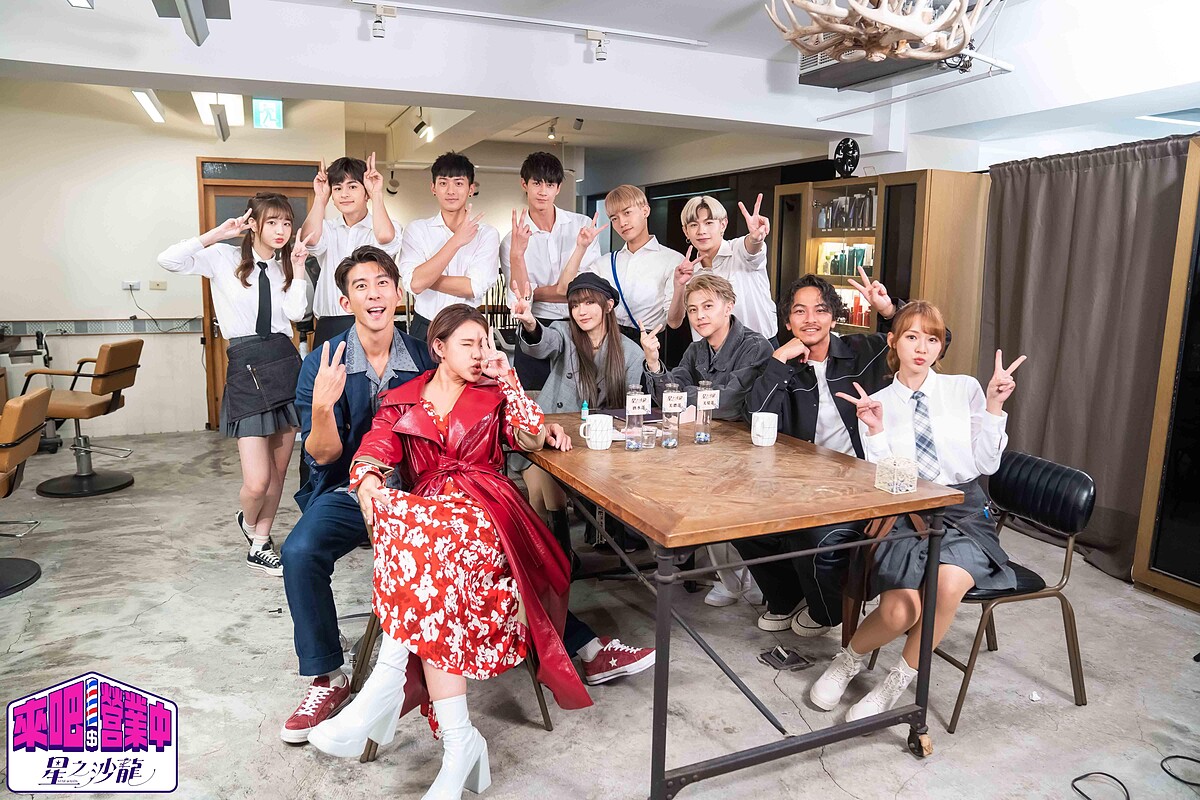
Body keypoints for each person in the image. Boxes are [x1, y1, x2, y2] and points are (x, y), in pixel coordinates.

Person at [305, 304, 593, 800]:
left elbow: (529, 437)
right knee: (416, 536)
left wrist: (510, 380)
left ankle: (385, 684)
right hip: (434, 526)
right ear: (438, 348)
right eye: (469, 344)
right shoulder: (401, 400)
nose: (480, 353)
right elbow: (375, 447)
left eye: (485, 343)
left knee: (421, 537)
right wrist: (368, 478)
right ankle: (460, 743)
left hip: (489, 513)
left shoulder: (494, 393)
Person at [809, 302, 1024, 721]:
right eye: (912, 337)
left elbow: (986, 464)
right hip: (906, 510)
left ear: (941, 346)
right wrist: (874, 430)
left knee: (946, 584)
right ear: (893, 341)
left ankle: (895, 683)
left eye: (932, 339)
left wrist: (995, 407)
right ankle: (848, 661)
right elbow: (885, 480)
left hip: (962, 510)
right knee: (900, 611)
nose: (922, 348)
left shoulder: (965, 389)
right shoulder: (877, 402)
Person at [277, 245, 435, 745]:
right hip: (347, 489)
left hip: (419, 492)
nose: (374, 294)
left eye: (382, 283)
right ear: (346, 302)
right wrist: (323, 407)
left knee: (502, 535)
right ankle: (328, 677)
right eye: (361, 287)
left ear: (398, 294)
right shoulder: (321, 363)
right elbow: (322, 455)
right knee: (300, 551)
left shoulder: (426, 357)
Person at [735, 269, 913, 638]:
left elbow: (936, 338)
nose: (810, 319)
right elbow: (757, 418)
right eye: (799, 311)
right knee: (743, 523)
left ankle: (826, 611)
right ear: (787, 321)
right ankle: (786, 598)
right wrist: (779, 361)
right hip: (798, 480)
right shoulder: (777, 356)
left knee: (810, 535)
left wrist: (889, 311)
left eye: (820, 310)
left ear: (834, 317)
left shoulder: (864, 351)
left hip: (861, 481)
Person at [512, 271, 657, 683]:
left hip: (599, 442)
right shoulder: (563, 334)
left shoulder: (629, 350)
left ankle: (558, 564)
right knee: (543, 490)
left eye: (590, 302)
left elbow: (638, 403)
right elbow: (541, 343)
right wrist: (529, 321)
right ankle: (558, 564)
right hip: (551, 436)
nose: (581, 311)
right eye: (575, 304)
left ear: (608, 305)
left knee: (554, 496)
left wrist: (652, 362)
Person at [158, 193, 308, 577]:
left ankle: (260, 543)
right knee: (257, 482)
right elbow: (169, 260)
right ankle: (249, 517)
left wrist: (298, 268)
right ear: (253, 223)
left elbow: (296, 313)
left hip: (284, 364)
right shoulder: (222, 258)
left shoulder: (284, 267)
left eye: (286, 223)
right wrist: (216, 234)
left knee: (278, 473)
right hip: (246, 367)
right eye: (272, 222)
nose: (281, 230)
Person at [641, 273, 773, 607]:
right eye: (693, 309)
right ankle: (729, 579)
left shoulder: (755, 346)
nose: (699, 315)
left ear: (729, 306)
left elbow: (730, 403)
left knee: (727, 508)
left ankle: (752, 580)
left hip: (747, 446)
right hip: (706, 440)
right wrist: (654, 362)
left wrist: (689, 396)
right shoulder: (696, 348)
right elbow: (668, 397)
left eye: (708, 306)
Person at [500, 151, 605, 389]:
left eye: (550, 184)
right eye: (537, 183)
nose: (543, 191)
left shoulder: (581, 226)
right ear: (524, 184)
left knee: (583, 395)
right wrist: (517, 255)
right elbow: (520, 299)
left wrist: (538, 292)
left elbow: (584, 289)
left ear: (558, 188)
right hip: (534, 324)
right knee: (532, 396)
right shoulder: (511, 241)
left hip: (579, 322)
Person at [572, 185, 693, 367]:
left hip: (650, 345)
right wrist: (581, 247)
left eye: (627, 213)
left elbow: (674, 322)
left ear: (645, 210)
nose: (622, 223)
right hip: (608, 345)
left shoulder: (673, 260)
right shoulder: (605, 262)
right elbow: (568, 289)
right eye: (614, 218)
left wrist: (679, 286)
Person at [299, 154, 402, 349]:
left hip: (372, 321)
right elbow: (309, 239)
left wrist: (376, 194)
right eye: (338, 188)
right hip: (329, 323)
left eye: (352, 187)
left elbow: (385, 238)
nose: (344, 194)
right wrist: (320, 198)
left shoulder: (384, 226)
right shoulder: (327, 228)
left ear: (366, 193)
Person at [398, 152, 500, 342]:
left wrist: (426, 278)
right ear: (433, 188)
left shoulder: (486, 234)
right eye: (443, 183)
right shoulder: (417, 230)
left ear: (471, 189)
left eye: (458, 183)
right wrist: (456, 241)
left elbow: (473, 287)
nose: (451, 191)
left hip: (467, 327)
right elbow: (414, 285)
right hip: (425, 326)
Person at [669, 193, 778, 345]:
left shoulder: (738, 250)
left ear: (723, 224)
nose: (701, 231)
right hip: (711, 352)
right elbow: (674, 322)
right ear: (686, 231)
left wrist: (756, 238)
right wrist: (679, 286)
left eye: (709, 223)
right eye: (693, 225)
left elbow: (752, 249)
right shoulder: (686, 271)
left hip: (759, 347)